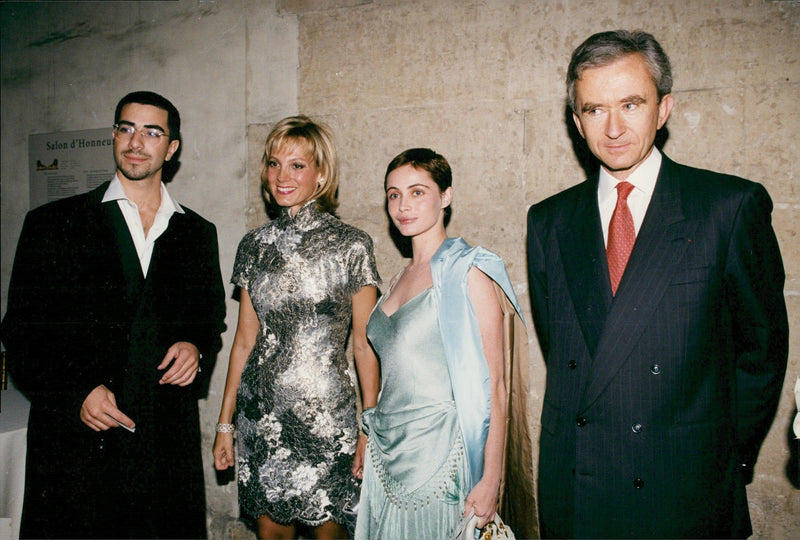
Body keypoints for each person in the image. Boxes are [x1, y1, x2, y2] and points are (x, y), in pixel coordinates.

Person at [526, 30, 789, 539]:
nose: (615, 128)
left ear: (664, 108)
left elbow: (761, 353)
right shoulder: (549, 221)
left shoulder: (727, 207)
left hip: (683, 487)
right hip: (581, 486)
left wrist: (718, 456)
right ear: (577, 121)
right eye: (595, 110)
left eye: (631, 104)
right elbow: (565, 348)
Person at [1, 90, 227, 538]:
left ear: (172, 148)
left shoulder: (197, 232)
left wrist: (194, 346)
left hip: (162, 444)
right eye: (126, 128)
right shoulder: (54, 223)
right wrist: (76, 392)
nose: (136, 142)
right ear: (113, 135)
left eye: (152, 132)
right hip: (78, 445)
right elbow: (22, 331)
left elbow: (208, 318)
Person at [212, 115, 381, 540]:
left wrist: (369, 427)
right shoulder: (253, 245)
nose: (281, 176)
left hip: (328, 418)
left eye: (297, 165)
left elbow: (365, 346)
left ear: (321, 173)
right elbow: (244, 340)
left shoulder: (351, 244)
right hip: (261, 414)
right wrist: (225, 424)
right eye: (273, 163)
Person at [355, 148, 536, 540]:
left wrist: (491, 480)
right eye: (393, 194)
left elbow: (497, 386)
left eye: (417, 192)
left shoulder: (468, 271)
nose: (403, 205)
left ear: (446, 196)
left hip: (443, 459)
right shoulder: (396, 280)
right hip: (386, 459)